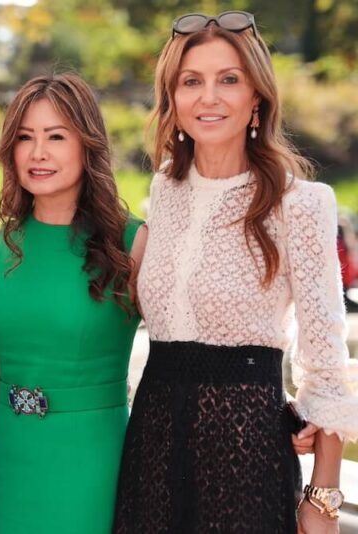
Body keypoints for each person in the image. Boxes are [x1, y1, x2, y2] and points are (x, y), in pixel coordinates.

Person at [113, 11, 358, 533]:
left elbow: (327, 365)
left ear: (257, 98)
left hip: (247, 459)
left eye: (229, 79)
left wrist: (322, 499)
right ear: (172, 101)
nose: (209, 97)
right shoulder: (165, 191)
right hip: (152, 449)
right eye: (191, 81)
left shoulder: (302, 204)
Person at [0, 72, 147, 533]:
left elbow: (180, 355)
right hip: (12, 457)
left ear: (87, 145)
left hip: (94, 459)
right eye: (25, 137)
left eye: (56, 137)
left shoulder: (133, 241)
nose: (38, 152)